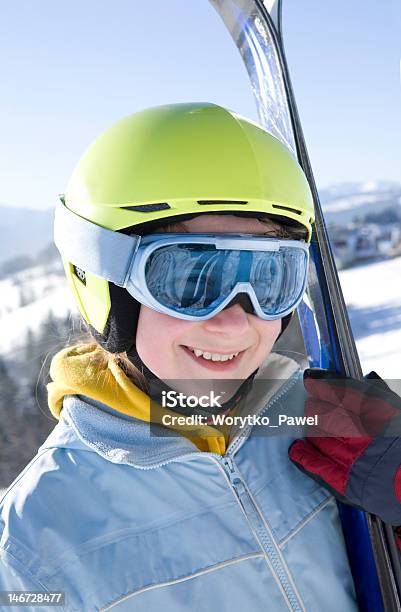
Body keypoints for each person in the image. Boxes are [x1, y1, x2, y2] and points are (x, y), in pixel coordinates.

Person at [0, 103, 400, 611]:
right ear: (104, 285)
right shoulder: (34, 544)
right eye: (190, 281)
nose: (234, 322)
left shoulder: (333, 427)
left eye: (268, 279)